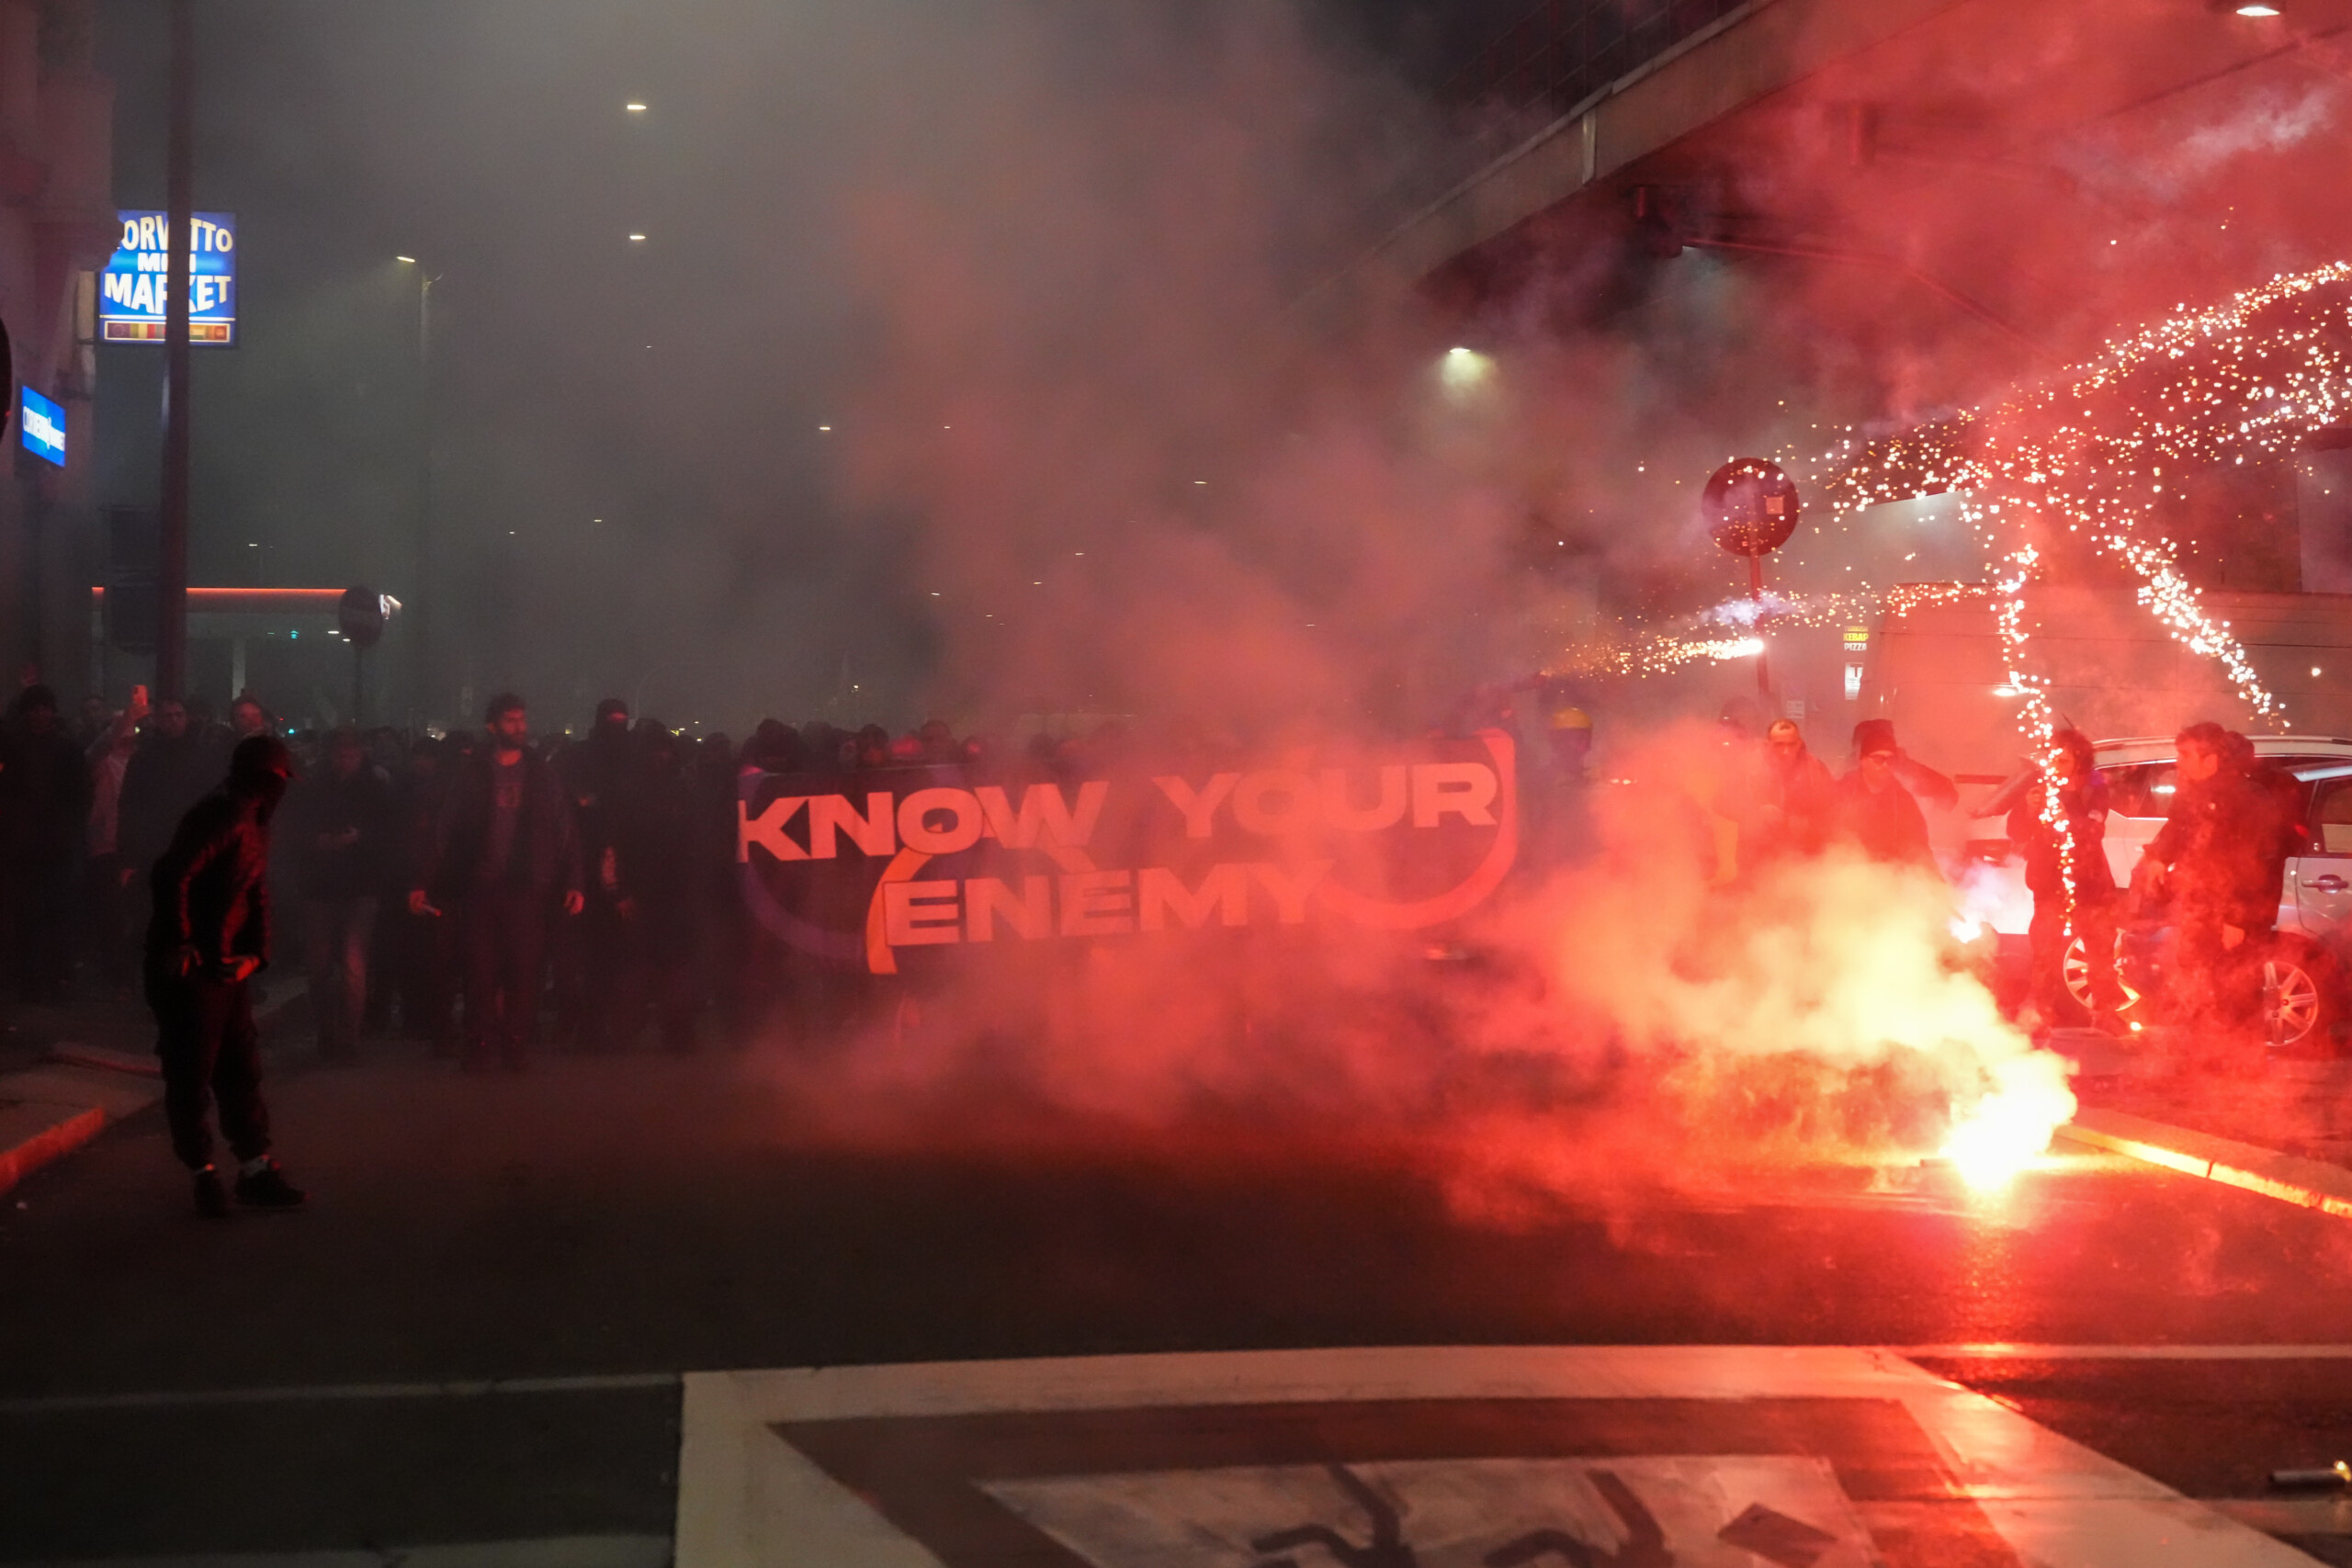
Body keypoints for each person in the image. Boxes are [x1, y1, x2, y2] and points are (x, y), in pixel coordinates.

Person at [146, 735, 305, 1216]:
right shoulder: (223, 813)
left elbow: (256, 894)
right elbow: (174, 874)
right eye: (277, 779)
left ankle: (255, 1168)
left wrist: (256, 956)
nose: (281, 789)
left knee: (239, 1068)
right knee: (192, 1072)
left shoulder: (254, 819)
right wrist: (183, 942)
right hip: (195, 971)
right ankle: (204, 1175)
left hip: (227, 966)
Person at [409, 694, 582, 1071]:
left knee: (523, 972)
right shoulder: (471, 773)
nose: (520, 726)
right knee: (480, 974)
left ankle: (515, 1045)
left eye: (522, 719)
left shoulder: (540, 772)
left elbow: (564, 827)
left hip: (526, 889)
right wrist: (422, 881)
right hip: (479, 888)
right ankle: (480, 1045)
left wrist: (574, 880)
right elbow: (444, 829)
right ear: (492, 726)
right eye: (511, 720)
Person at [2136, 723, 2299, 1052]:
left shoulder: (2250, 800)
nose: (2177, 762)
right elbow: (2176, 829)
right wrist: (2158, 858)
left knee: (2234, 992)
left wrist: (2238, 919)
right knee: (2199, 986)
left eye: (2184, 755)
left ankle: (2239, 1072)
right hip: (2200, 906)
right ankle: (2205, 1063)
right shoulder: (2193, 793)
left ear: (2210, 761)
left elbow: (2259, 864)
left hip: (2237, 916)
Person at [2007, 728, 2129, 1035]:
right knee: (2045, 952)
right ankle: (2040, 1014)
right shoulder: (2043, 788)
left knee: (2100, 949)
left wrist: (2066, 818)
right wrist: (2028, 810)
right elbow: (2017, 832)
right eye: (2054, 757)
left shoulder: (2094, 788)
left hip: (2090, 882)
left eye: (2064, 757)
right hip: (2051, 883)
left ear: (2078, 759)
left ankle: (2105, 1011)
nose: (2057, 763)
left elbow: (2092, 830)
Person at [283, 727, 393, 1059]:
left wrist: (359, 839)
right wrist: (318, 843)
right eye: (341, 756)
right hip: (320, 886)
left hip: (360, 886)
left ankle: (349, 1037)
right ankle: (327, 1032)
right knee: (318, 967)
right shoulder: (312, 787)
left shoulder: (374, 789)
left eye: (352, 756)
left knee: (352, 965)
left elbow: (388, 836)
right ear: (331, 756)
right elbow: (295, 830)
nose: (346, 762)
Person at [0, 685, 92, 1001]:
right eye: (35, 708)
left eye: (44, 708)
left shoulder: (67, 748)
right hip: (26, 844)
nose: (40, 714)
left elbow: (81, 796)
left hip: (55, 842)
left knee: (56, 913)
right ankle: (34, 979)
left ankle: (55, 979)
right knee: (29, 915)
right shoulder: (12, 746)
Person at [1835, 718, 1938, 872]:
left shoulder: (1903, 800)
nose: (1885, 766)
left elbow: (1920, 848)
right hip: (1845, 875)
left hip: (1889, 880)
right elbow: (1823, 836)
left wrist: (1937, 887)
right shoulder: (1842, 792)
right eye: (1878, 759)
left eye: (1890, 760)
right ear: (1862, 759)